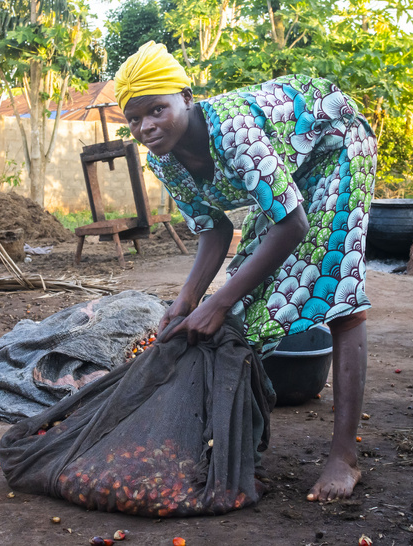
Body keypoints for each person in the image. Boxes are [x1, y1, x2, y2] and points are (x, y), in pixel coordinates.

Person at [113, 41, 376, 502]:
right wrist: (186, 300)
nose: (146, 126)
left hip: (337, 145)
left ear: (187, 98)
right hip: (292, 168)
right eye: (134, 119)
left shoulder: (235, 131)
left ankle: (344, 457)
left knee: (337, 290)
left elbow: (293, 225)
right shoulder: (164, 160)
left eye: (157, 109)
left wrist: (217, 302)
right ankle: (237, 453)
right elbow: (214, 231)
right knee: (248, 305)